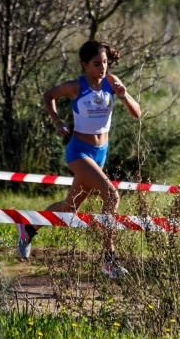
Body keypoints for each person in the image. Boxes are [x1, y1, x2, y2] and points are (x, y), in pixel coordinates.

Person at [16, 40, 141, 278]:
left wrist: (124, 96)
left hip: (100, 152)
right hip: (79, 152)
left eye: (105, 62)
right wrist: (57, 121)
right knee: (111, 195)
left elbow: (137, 114)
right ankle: (109, 259)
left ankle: (29, 226)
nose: (102, 67)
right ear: (85, 65)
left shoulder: (111, 82)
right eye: (96, 64)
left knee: (69, 208)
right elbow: (49, 95)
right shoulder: (76, 86)